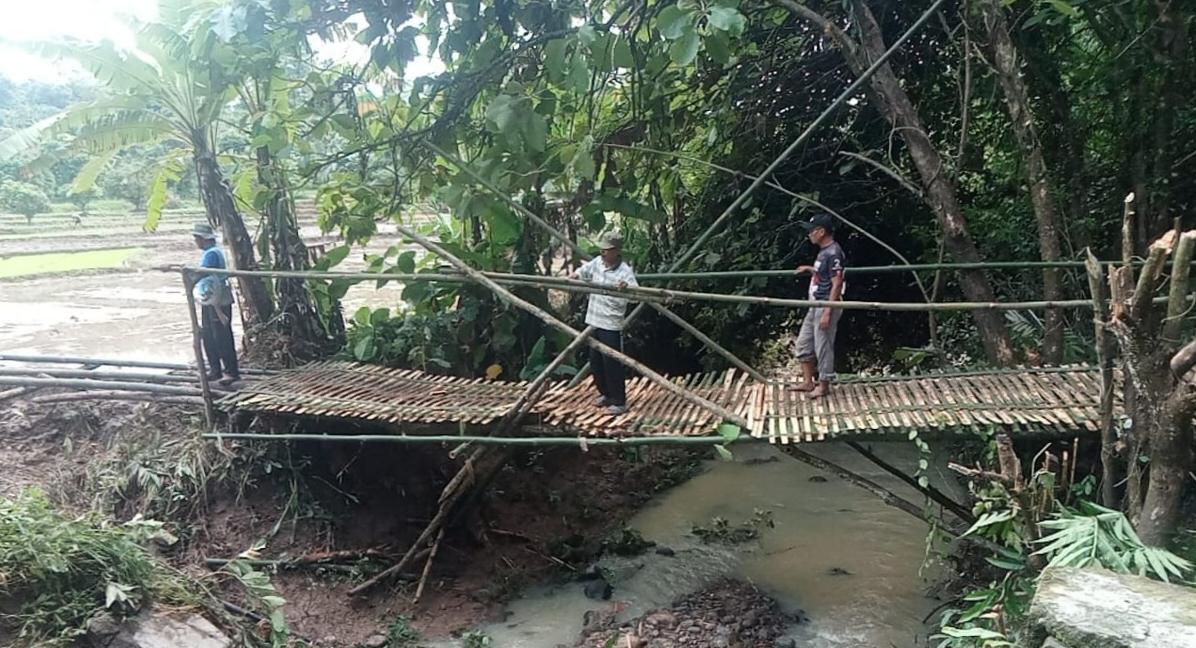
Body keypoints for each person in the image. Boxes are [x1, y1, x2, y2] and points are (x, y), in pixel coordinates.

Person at [571, 232, 638, 415]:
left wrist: (626, 288)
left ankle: (619, 401)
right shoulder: (597, 263)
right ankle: (605, 394)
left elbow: (635, 294)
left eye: (607, 249)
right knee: (596, 361)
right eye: (602, 248)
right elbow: (582, 272)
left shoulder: (625, 271)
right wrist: (575, 276)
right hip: (594, 319)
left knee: (611, 362)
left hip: (610, 322)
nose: (603, 252)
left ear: (616, 251)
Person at [794, 213, 846, 400]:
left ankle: (823, 385)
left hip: (825, 304)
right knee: (804, 343)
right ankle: (809, 381)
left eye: (811, 231)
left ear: (821, 231)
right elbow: (825, 274)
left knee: (823, 346)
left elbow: (837, 283)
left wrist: (827, 311)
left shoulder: (834, 253)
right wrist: (810, 269)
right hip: (815, 304)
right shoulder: (825, 252)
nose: (809, 235)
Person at [191, 223, 240, 385]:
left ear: (202, 239)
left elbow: (201, 273)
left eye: (196, 238)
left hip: (217, 300)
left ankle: (230, 372)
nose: (195, 241)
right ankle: (216, 370)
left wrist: (189, 274)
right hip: (211, 298)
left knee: (221, 336)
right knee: (209, 335)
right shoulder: (212, 252)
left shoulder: (211, 254)